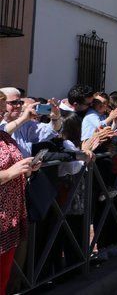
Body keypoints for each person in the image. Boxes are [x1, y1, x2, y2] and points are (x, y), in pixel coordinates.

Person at [0, 91, 40, 295]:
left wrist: (26, 166)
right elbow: (7, 170)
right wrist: (9, 173)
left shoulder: (3, 134)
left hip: (10, 215)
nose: (1, 114)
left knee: (4, 275)